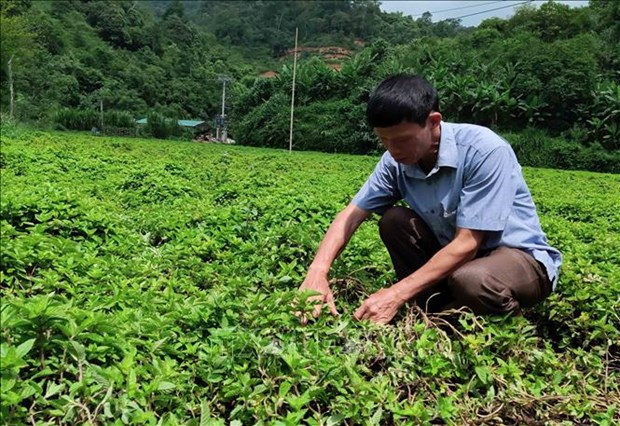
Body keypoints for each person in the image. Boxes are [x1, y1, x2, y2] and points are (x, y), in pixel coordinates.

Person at [297, 74, 562, 325]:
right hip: (459, 262)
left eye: (402, 139)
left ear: (434, 121)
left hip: (517, 259)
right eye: (384, 140)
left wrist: (396, 293)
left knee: (472, 279)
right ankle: (437, 312)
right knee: (395, 220)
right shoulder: (394, 161)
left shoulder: (484, 150)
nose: (393, 150)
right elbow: (352, 213)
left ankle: (508, 331)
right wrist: (317, 271)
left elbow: (468, 244)